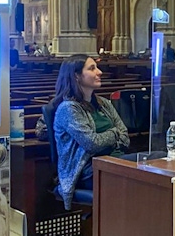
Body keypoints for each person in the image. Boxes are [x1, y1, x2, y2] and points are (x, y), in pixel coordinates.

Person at [52, 55, 131, 210]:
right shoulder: (68, 109)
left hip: (115, 161)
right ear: (76, 76)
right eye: (92, 68)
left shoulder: (104, 104)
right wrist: (114, 134)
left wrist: (110, 137)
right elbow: (92, 143)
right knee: (144, 174)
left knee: (154, 160)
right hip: (87, 171)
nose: (99, 72)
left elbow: (125, 137)